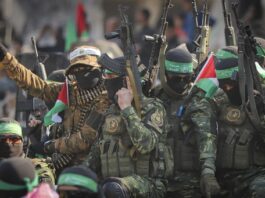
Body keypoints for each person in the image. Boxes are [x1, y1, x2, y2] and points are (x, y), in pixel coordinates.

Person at [0, 44, 109, 170]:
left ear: (99, 69)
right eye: (77, 71)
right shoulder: (70, 91)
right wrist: (7, 60)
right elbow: (37, 85)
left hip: (91, 167)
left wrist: (49, 146)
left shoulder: (105, 98)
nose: (82, 74)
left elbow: (83, 139)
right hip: (62, 161)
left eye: (87, 69)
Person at [83, 55, 173, 197]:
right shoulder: (109, 112)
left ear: (127, 81)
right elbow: (95, 155)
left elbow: (146, 144)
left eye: (111, 76)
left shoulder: (152, 108)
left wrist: (126, 108)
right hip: (111, 184)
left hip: (148, 184)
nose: (106, 80)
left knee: (113, 189)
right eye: (105, 76)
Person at [156, 44, 204, 197]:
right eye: (176, 78)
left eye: (187, 78)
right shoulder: (152, 99)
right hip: (157, 181)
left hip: (190, 183)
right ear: (165, 74)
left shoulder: (199, 100)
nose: (181, 83)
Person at [0, 117, 55, 185]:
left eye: (14, 139)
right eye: (2, 140)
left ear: (22, 142)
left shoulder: (38, 168)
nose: (8, 144)